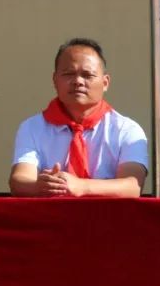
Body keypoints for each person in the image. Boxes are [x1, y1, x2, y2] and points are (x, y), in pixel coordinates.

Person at [10, 38, 148, 197]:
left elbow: (133, 186)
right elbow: (19, 181)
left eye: (87, 75)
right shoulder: (33, 127)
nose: (78, 82)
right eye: (69, 74)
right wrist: (40, 185)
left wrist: (82, 187)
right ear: (55, 80)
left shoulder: (126, 129)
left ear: (105, 83)